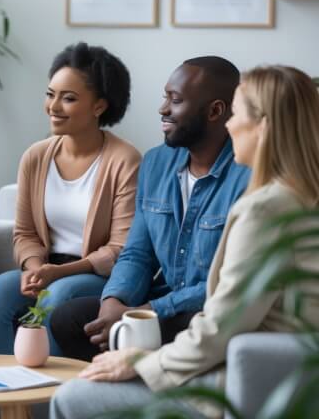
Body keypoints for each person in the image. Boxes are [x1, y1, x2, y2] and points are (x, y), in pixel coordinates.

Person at [50, 65, 319, 419]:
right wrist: (118, 301)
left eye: (237, 114)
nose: (231, 125)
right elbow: (138, 251)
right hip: (252, 364)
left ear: (263, 126)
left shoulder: (265, 208)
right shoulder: (295, 196)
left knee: (70, 398)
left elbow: (223, 324)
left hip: (232, 379)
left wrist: (143, 362)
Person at [50, 56, 251, 361]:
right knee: (71, 319)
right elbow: (138, 252)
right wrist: (114, 303)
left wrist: (148, 312)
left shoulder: (249, 175)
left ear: (215, 111)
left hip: (210, 310)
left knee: (191, 325)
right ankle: (120, 398)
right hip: (159, 304)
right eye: (165, 97)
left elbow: (228, 282)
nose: (163, 109)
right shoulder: (157, 162)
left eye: (176, 100)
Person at [0, 42, 141, 356]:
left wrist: (56, 274)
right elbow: (25, 233)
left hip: (94, 275)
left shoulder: (124, 160)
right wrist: (35, 269)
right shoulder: (35, 157)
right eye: (50, 94)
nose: (53, 106)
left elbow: (121, 249)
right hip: (46, 268)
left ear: (99, 106)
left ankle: (45, 399)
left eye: (69, 98)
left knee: (57, 296)